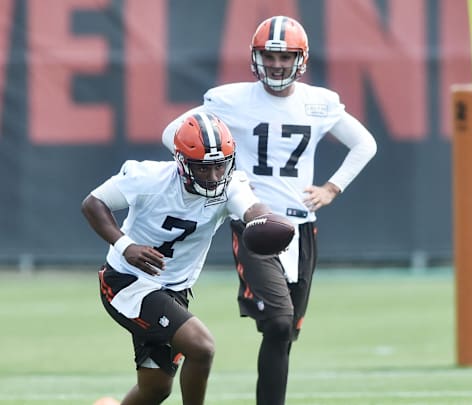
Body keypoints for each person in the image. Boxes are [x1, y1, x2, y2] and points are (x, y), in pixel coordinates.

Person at [161, 15, 377, 405]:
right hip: (256, 225)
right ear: (255, 57)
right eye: (268, 56)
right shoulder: (228, 99)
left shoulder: (318, 102)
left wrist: (332, 187)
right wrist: (220, 183)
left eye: (285, 56)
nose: (276, 64)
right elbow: (173, 133)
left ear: (301, 59)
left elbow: (364, 144)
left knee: (285, 332)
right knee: (277, 322)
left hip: (302, 227)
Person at [82, 112, 274, 405]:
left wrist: (269, 224)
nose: (213, 177)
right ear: (182, 163)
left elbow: (253, 210)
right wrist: (125, 245)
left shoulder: (231, 185)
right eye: (203, 168)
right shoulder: (149, 177)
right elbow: (93, 203)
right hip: (126, 283)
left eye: (219, 166)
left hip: (173, 291)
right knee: (202, 346)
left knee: (156, 389)